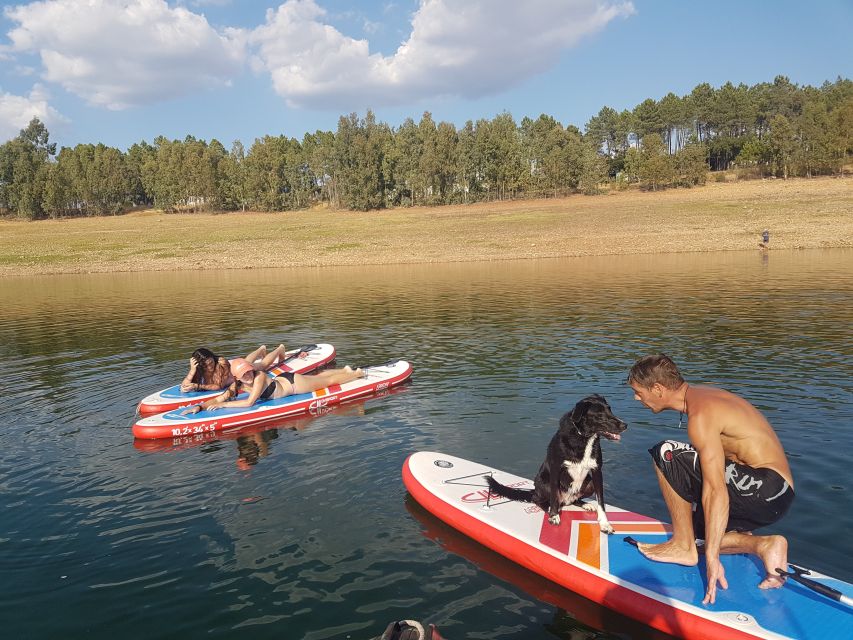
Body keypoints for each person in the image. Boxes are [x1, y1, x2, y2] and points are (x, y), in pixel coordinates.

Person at [627, 354, 795, 605]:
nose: (636, 398)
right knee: (703, 539)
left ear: (658, 389)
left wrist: (713, 560)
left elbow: (716, 489)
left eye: (638, 392)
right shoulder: (702, 396)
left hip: (765, 486)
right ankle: (763, 545)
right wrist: (712, 542)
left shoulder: (701, 414)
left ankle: (682, 546)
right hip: (776, 495)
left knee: (667, 453)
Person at [182, 358, 364, 413]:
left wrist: (223, 405)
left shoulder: (259, 376)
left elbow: (249, 403)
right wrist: (200, 407)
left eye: (248, 371)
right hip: (284, 381)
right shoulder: (237, 385)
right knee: (318, 377)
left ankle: (356, 373)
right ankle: (345, 370)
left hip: (293, 385)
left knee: (327, 382)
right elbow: (219, 397)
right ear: (236, 376)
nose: (248, 375)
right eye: (243, 374)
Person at [180, 344, 293, 393]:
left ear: (213, 358)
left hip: (237, 368)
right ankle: (261, 349)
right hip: (238, 365)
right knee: (247, 361)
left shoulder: (221, 362)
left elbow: (219, 385)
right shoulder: (198, 369)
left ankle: (279, 349)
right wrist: (192, 371)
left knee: (262, 365)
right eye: (206, 365)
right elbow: (183, 387)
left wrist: (198, 386)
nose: (210, 367)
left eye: (211, 362)